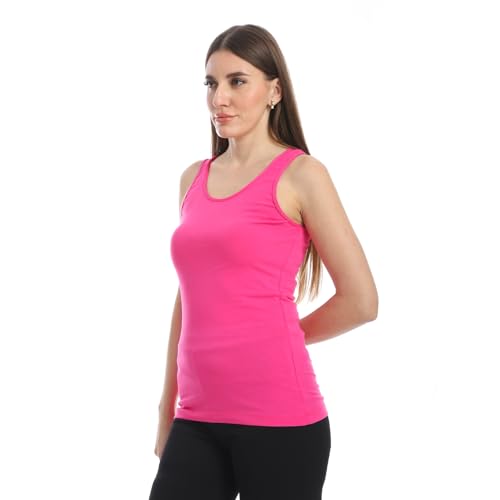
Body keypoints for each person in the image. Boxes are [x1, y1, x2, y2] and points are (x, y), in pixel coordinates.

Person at [148, 24, 378, 500]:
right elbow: (189, 297)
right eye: (211, 83)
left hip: (281, 422)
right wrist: (165, 408)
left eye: (237, 81)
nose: (219, 99)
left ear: (274, 91)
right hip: (197, 420)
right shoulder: (193, 179)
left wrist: (281, 335)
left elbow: (362, 301)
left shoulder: (302, 175)